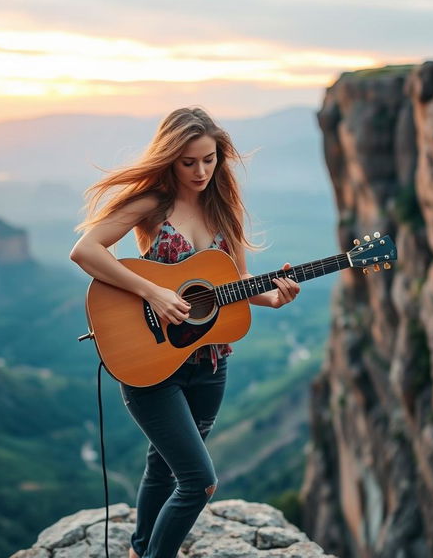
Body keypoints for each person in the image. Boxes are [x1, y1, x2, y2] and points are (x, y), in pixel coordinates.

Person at [69, 107, 300, 558]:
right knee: (199, 482)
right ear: (170, 158)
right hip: (150, 359)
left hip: (210, 363)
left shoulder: (223, 209)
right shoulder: (150, 205)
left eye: (209, 160)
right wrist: (153, 292)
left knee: (163, 467)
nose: (200, 171)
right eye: (188, 161)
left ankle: (139, 549)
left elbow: (235, 286)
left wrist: (274, 297)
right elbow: (85, 250)